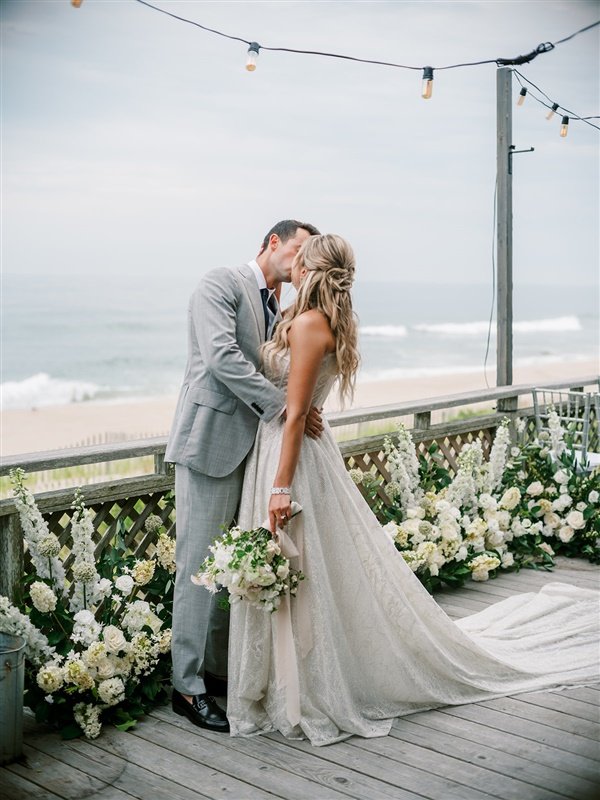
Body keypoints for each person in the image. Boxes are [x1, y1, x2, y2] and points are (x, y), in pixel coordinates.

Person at [226, 233, 600, 746]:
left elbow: (294, 416)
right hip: (285, 447)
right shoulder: (305, 316)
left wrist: (280, 487)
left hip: (292, 460)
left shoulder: (312, 324)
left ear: (312, 270)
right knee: (297, 572)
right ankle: (285, 681)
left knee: (302, 571)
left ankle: (305, 688)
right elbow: (295, 401)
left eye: (301, 258)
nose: (291, 262)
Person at [165, 219, 321, 732]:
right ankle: (186, 689)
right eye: (297, 249)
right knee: (196, 567)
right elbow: (221, 357)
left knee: (230, 567)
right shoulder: (221, 282)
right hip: (210, 444)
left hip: (256, 456)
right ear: (273, 242)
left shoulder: (287, 306)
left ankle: (215, 673)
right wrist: (285, 406)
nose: (300, 263)